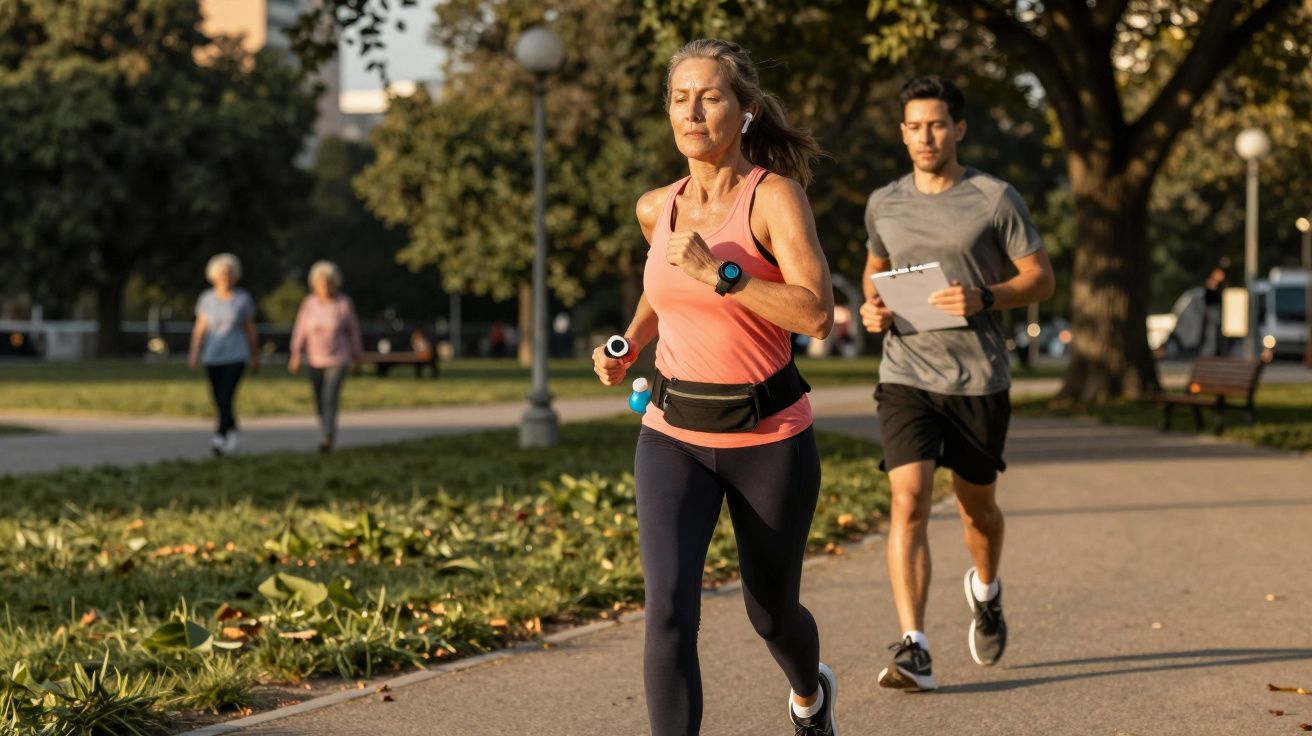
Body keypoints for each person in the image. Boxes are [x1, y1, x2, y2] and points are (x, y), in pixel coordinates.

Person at [592, 38, 838, 736]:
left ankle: (810, 696)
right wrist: (628, 344)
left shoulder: (774, 199)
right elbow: (658, 294)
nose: (691, 110)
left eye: (710, 96)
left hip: (770, 438)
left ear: (747, 110)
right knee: (668, 608)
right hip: (673, 434)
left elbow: (815, 313)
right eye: (679, 97)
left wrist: (724, 275)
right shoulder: (656, 209)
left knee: (771, 612)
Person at [860, 75, 1055, 691]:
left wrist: (985, 296)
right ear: (902, 132)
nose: (925, 136)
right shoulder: (883, 202)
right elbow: (876, 268)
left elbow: (1041, 279)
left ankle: (987, 590)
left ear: (958, 130)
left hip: (977, 377)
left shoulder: (994, 198)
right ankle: (914, 646)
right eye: (914, 125)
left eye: (937, 124)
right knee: (909, 499)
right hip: (905, 373)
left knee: (978, 511)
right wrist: (872, 308)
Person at [189, 253, 260, 455]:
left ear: (235, 275)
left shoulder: (242, 299)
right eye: (222, 273)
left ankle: (219, 437)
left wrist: (255, 356)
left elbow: (250, 329)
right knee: (218, 399)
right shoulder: (207, 299)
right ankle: (234, 431)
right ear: (214, 276)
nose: (225, 277)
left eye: (229, 273)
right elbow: (200, 328)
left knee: (227, 396)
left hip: (236, 355)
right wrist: (195, 351)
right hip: (213, 355)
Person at [288, 261, 364, 452]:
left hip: (339, 358)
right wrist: (296, 354)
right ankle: (325, 430)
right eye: (321, 283)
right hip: (315, 358)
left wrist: (357, 357)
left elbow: (353, 331)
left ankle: (327, 437)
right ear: (314, 284)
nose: (325, 286)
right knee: (319, 398)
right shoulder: (309, 304)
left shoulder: (343, 303)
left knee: (330, 397)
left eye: (328, 282)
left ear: (334, 283)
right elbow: (300, 330)